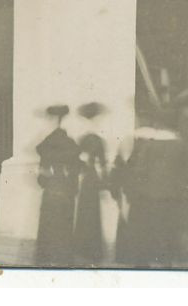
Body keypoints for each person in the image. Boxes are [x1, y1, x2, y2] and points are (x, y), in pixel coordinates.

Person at [112, 110, 188, 267]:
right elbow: (185, 171)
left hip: (147, 195)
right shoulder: (181, 144)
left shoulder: (149, 144)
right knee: (166, 229)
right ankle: (166, 261)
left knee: (145, 229)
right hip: (171, 195)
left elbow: (139, 169)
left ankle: (143, 262)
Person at [34, 104, 83, 265]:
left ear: (54, 120)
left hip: (51, 188)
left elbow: (42, 174)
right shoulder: (71, 143)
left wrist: (44, 182)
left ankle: (47, 257)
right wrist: (72, 186)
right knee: (64, 223)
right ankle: (64, 257)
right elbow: (76, 168)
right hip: (67, 188)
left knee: (49, 223)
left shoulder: (47, 144)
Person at [74, 102, 110, 264]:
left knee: (84, 210)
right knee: (93, 211)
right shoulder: (99, 140)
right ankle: (93, 249)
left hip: (86, 178)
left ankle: (82, 247)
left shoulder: (82, 139)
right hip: (93, 177)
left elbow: (76, 161)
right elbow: (103, 164)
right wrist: (105, 181)